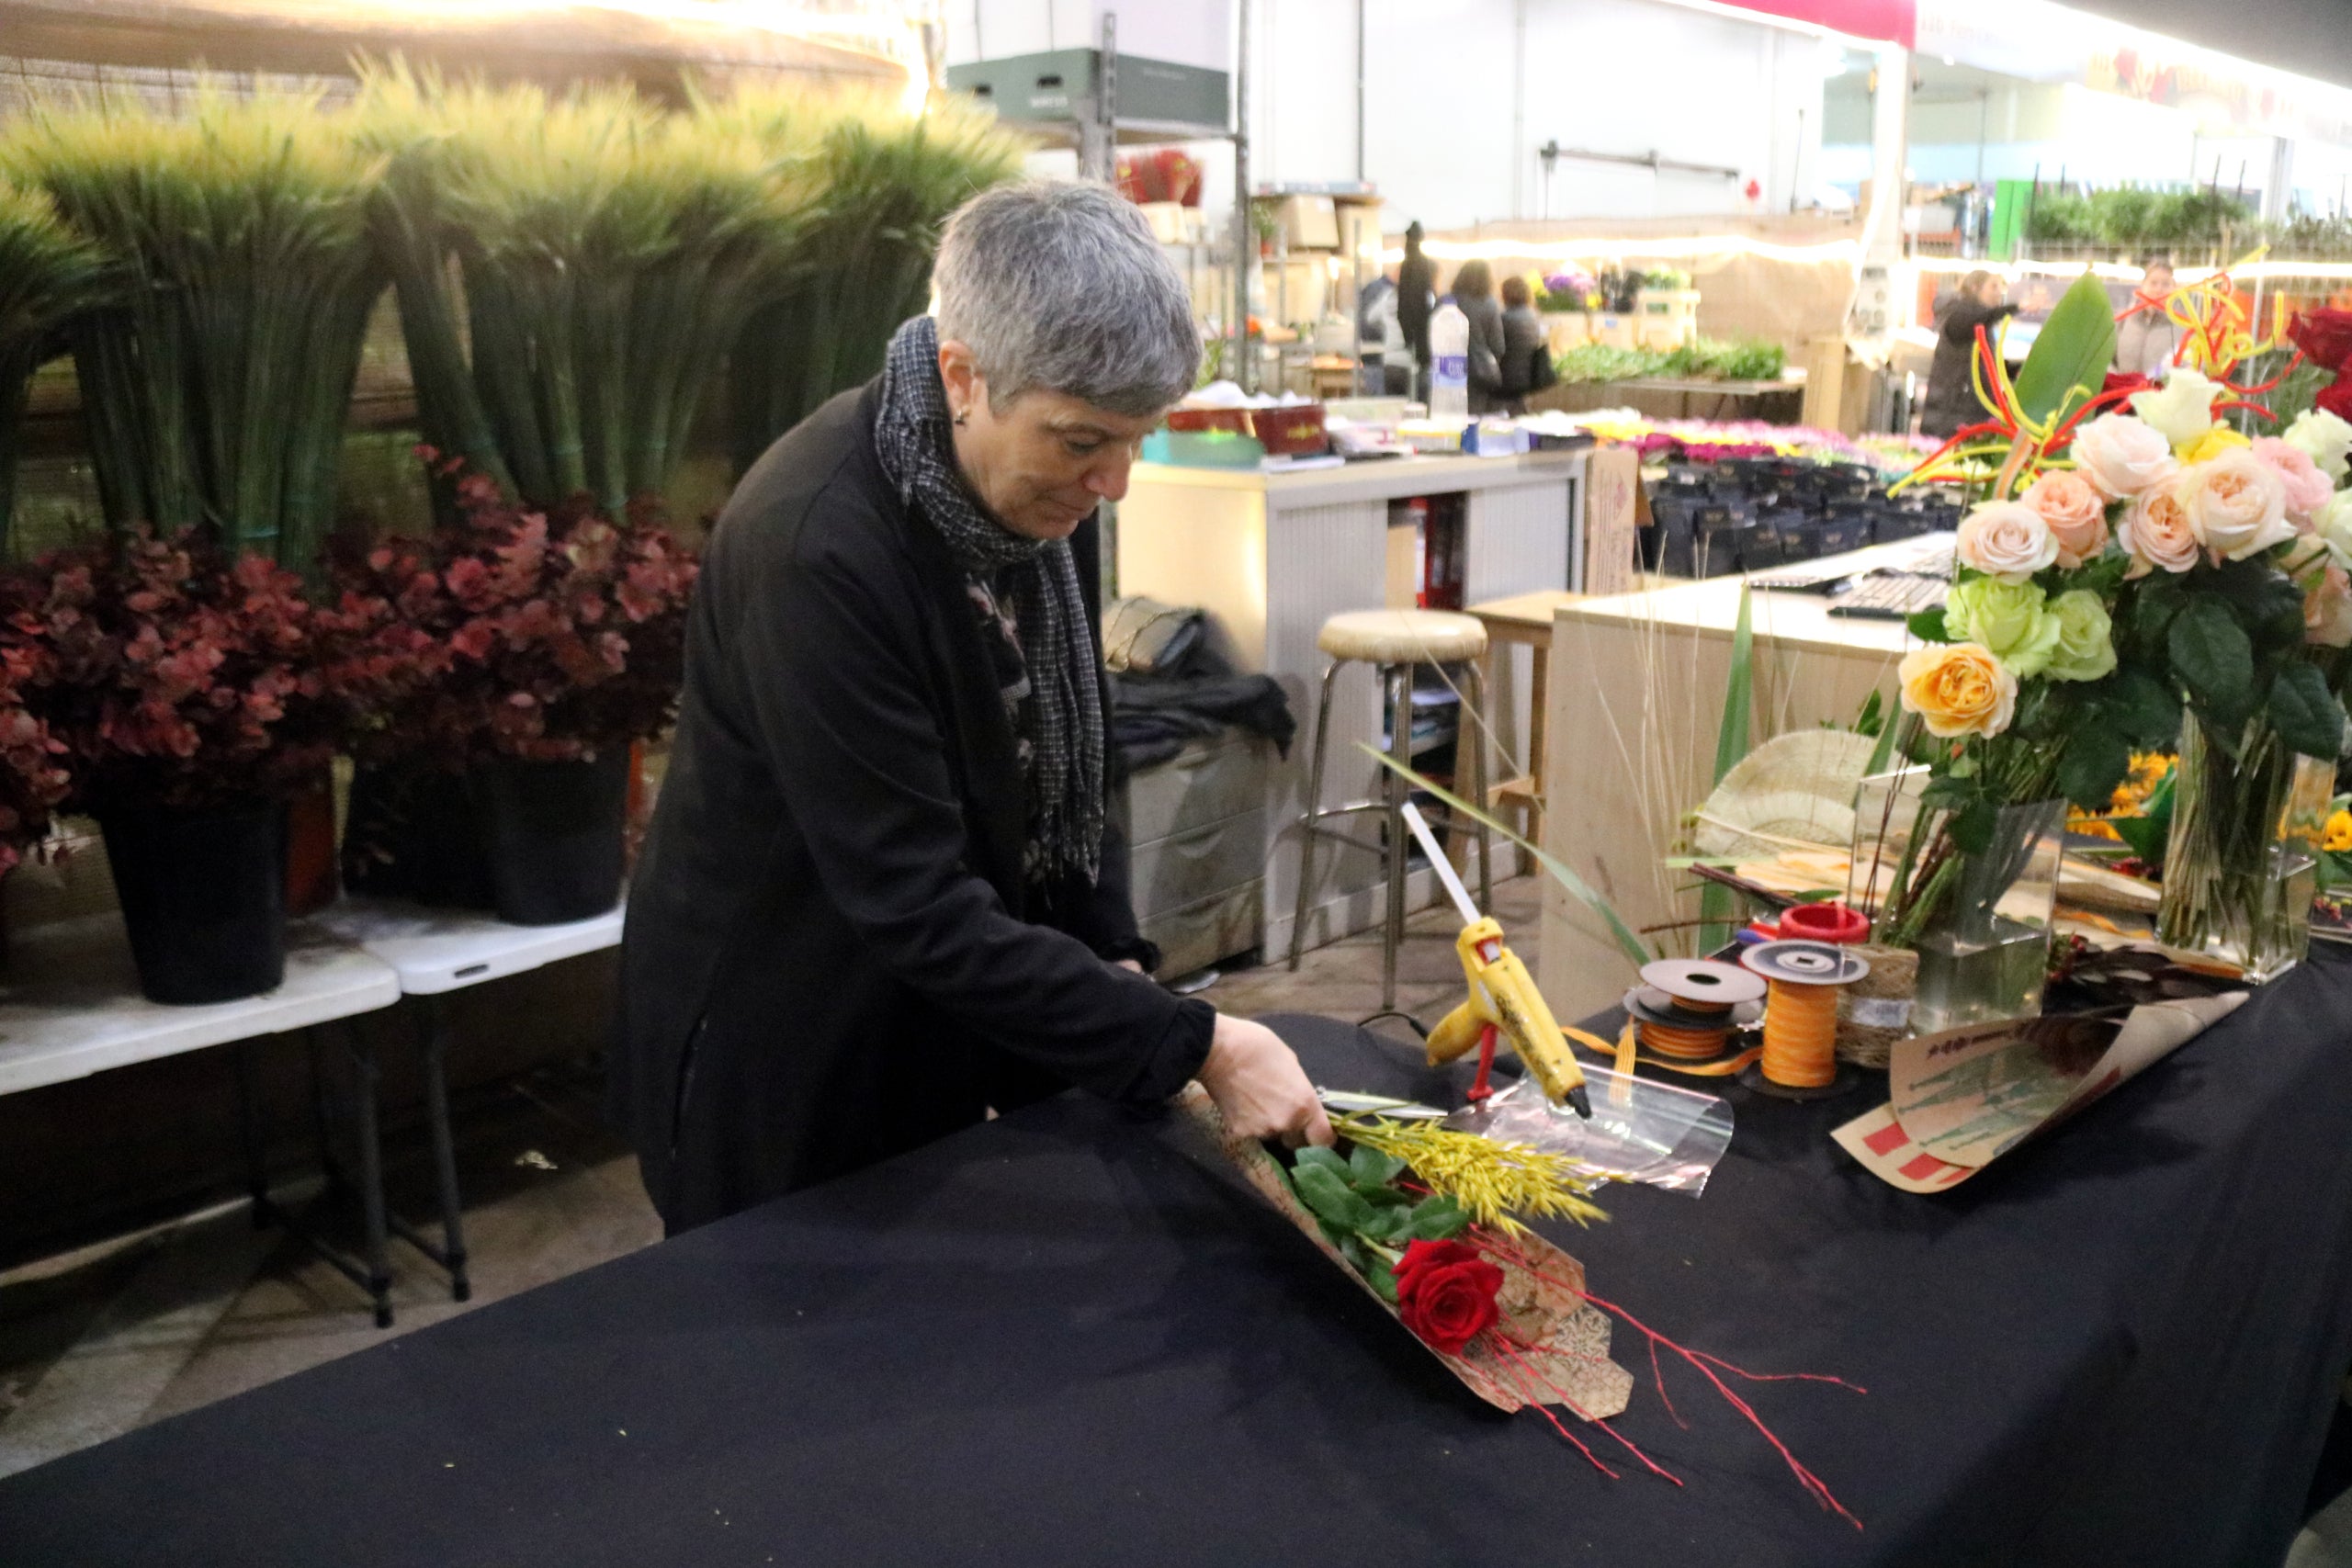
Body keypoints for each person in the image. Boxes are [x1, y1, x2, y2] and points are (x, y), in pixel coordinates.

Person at [613, 181, 1333, 1234]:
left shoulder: (1030, 492)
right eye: (1084, 440)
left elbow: (1074, 754)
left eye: (1135, 439)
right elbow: (913, 901)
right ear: (964, 375)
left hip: (930, 1013)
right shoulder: (818, 549)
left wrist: (1113, 952)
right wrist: (1201, 1040)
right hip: (782, 1043)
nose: (1114, 481)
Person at [1921, 269, 2018, 438]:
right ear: (1974, 288)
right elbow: (1976, 323)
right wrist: (2013, 308)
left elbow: (1984, 363)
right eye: (1993, 287)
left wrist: (2014, 370)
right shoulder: (1960, 314)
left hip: (1967, 411)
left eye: (2000, 287)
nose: (1999, 293)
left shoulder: (1980, 320)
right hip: (1954, 413)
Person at [1451, 259, 1509, 414]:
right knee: (1473, 421)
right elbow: (1498, 345)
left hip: (1448, 370)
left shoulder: (1449, 302)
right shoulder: (1489, 304)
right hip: (1479, 374)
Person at [2115, 257, 2181, 380]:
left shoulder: (2183, 328)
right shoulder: (2123, 321)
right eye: (2153, 283)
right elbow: (2106, 359)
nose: (2159, 289)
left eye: (2166, 284)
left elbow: (2187, 366)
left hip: (2160, 396)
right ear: (2143, 286)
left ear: (2174, 289)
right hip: (2121, 393)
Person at [1497, 274, 1552, 413]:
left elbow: (1496, 347)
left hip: (1506, 379)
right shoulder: (1534, 317)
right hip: (1527, 377)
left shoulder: (1505, 319)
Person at [1396, 221, 1436, 404]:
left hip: (1410, 332)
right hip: (1422, 332)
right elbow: (1426, 300)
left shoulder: (1407, 264)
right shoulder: (1423, 264)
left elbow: (1404, 303)